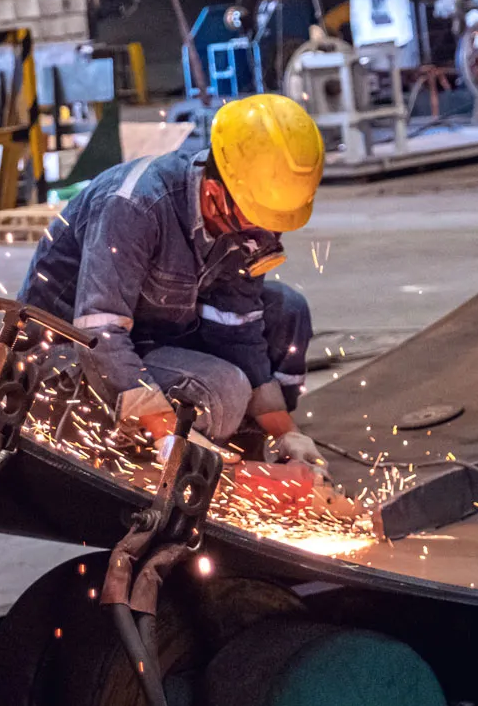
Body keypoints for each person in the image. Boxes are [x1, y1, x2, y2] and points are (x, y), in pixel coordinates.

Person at [19, 93, 323, 466]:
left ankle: (244, 450)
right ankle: (152, 448)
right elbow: (100, 337)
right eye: (257, 219)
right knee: (225, 391)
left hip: (153, 336)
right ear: (214, 194)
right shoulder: (134, 206)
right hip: (72, 360)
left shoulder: (241, 222)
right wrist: (165, 430)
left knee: (286, 311)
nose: (264, 235)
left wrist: (286, 432)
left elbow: (239, 329)